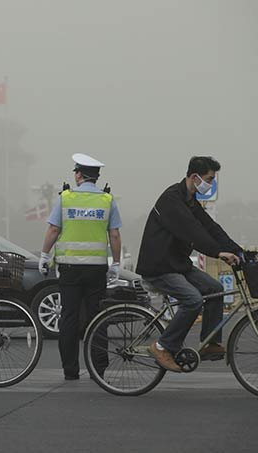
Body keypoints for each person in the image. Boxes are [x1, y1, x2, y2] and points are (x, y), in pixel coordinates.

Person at [136, 156, 241, 372]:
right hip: (159, 266)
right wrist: (218, 252)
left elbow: (211, 227)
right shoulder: (171, 199)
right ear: (195, 177)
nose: (211, 184)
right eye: (209, 179)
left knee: (215, 289)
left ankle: (210, 343)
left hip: (177, 264)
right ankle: (162, 346)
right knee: (193, 300)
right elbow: (192, 230)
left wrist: (237, 250)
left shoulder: (190, 200)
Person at [38, 154, 122, 380]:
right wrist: (116, 263)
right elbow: (114, 234)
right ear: (96, 178)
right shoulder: (107, 200)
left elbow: (53, 230)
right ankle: (99, 369)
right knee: (97, 317)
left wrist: (45, 255)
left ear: (78, 175)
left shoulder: (65, 198)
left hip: (69, 268)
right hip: (96, 268)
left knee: (69, 317)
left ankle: (70, 370)